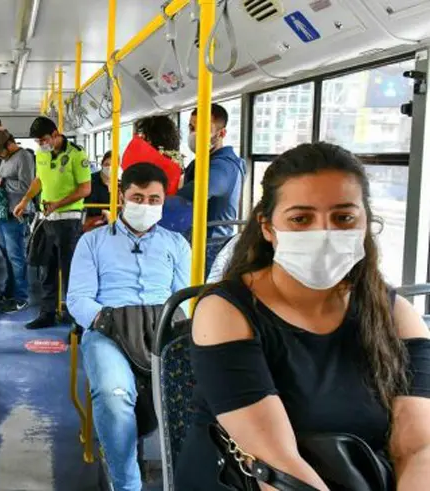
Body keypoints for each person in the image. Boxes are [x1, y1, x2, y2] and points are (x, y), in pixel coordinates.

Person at [175, 143, 430, 490]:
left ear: (365, 223)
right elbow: (276, 463)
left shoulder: (394, 315)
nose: (324, 234)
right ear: (268, 228)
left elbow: (418, 447)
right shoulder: (225, 312)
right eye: (300, 219)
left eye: (343, 218)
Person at [68, 163, 190, 491]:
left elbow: (186, 299)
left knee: (200, 392)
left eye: (154, 199)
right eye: (138, 198)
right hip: (110, 330)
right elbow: (78, 299)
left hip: (163, 328)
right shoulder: (92, 242)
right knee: (114, 394)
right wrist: (110, 321)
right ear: (122, 197)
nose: (146, 206)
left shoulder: (176, 244)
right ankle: (127, 485)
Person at [15, 116, 91, 329]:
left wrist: (58, 204)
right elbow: (39, 180)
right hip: (47, 219)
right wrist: (25, 200)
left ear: (56, 134)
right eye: (38, 141)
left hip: (69, 222)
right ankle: (47, 314)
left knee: (70, 273)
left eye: (44, 140)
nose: (41, 144)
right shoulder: (41, 153)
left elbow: (85, 189)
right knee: (46, 270)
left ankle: (76, 320)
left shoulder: (76, 154)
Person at [173, 103, 246, 271]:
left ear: (221, 133)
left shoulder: (223, 167)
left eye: (203, 129)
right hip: (194, 239)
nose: (194, 134)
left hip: (210, 245)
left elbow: (192, 194)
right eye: (192, 128)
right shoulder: (201, 162)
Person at [0, 129, 35, 312]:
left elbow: (27, 186)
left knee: (16, 256)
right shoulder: (6, 158)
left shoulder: (23, 157)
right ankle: (9, 291)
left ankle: (21, 297)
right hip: (4, 212)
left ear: (9, 144)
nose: (0, 155)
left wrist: (3, 182)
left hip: (16, 213)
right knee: (7, 254)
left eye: (1, 151)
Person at [84, 151, 113, 231]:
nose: (109, 167)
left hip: (111, 223)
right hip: (93, 223)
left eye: (113, 165)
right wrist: (104, 212)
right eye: (107, 164)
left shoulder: (119, 184)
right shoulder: (91, 180)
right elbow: (87, 204)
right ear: (102, 164)